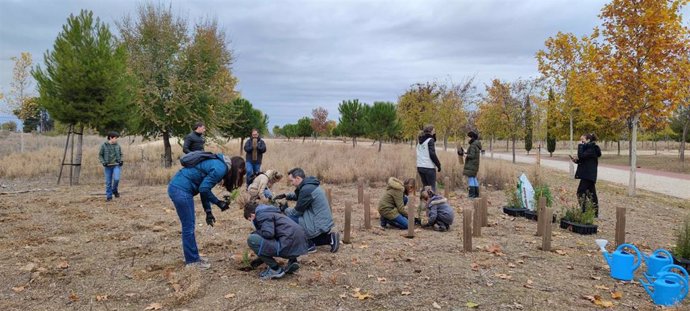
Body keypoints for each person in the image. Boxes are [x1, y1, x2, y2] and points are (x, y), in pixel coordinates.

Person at [168, 154, 245, 269]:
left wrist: (208, 212)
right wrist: (218, 203)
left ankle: (193, 257)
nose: (239, 176)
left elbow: (204, 190)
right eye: (240, 173)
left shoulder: (220, 165)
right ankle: (192, 262)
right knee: (188, 227)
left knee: (189, 226)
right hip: (181, 190)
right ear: (237, 168)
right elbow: (203, 189)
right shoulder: (220, 168)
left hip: (180, 188)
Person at [274, 168, 339, 253]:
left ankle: (308, 245)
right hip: (323, 222)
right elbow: (299, 196)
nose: (291, 183)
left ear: (297, 178)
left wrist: (285, 209)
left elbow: (296, 212)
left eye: (291, 181)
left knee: (288, 219)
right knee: (313, 238)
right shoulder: (308, 185)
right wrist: (286, 195)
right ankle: (330, 238)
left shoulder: (306, 189)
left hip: (318, 223)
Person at [244, 199, 309, 280]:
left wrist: (256, 233)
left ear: (252, 215)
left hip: (288, 243)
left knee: (252, 239)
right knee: (277, 236)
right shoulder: (271, 211)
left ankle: (275, 269)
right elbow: (278, 233)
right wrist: (261, 259)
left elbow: (269, 234)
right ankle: (292, 261)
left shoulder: (261, 215)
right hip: (299, 244)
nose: (251, 222)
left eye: (250, 220)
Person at [572, 133, 601, 217]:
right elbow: (584, 159)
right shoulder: (589, 148)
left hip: (588, 175)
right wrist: (576, 161)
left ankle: (584, 211)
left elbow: (581, 155)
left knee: (580, 192)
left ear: (588, 140)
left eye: (582, 140)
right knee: (591, 193)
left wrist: (580, 146)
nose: (581, 142)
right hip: (588, 175)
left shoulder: (592, 148)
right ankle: (594, 213)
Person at [98, 131, 123, 202]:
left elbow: (121, 154)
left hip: (116, 165)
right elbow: (100, 155)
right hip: (108, 166)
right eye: (115, 138)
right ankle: (109, 197)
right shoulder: (104, 145)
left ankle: (114, 190)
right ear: (111, 138)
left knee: (116, 179)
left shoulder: (118, 146)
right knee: (108, 182)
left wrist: (121, 161)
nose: (117, 139)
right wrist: (103, 162)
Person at [416, 125, 441, 192]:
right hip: (429, 167)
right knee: (432, 188)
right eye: (434, 131)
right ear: (431, 131)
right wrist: (438, 165)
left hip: (420, 166)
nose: (435, 132)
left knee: (425, 187)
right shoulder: (430, 140)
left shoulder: (419, 141)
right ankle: (432, 202)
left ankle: (423, 202)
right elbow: (432, 154)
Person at [463, 131, 482, 198]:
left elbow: (472, 155)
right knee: (474, 178)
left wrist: (465, 155)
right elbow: (472, 153)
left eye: (468, 137)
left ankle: (471, 195)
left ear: (471, 137)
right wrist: (465, 153)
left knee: (471, 179)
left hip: (471, 165)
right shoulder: (476, 144)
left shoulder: (473, 145)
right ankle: (476, 194)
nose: (467, 139)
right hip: (474, 165)